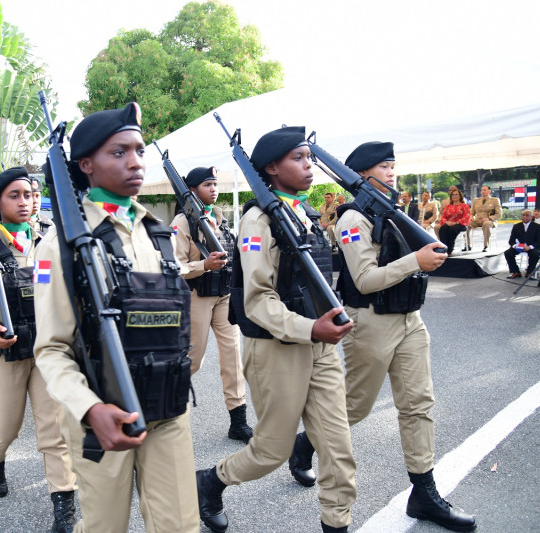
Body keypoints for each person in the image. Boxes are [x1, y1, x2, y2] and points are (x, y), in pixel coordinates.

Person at [34, 103, 199, 533]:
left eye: (139, 151)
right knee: (105, 526)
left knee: (181, 525)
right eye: (119, 152)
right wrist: (90, 410)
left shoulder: (160, 233)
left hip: (168, 408)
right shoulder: (61, 245)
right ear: (86, 165)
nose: (135, 162)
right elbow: (51, 349)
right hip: (103, 414)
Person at [294, 141, 475, 532]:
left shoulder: (393, 211)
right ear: (361, 174)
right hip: (372, 321)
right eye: (383, 165)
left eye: (393, 164)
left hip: (409, 318)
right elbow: (364, 279)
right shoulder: (352, 219)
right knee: (354, 407)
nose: (392, 171)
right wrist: (416, 261)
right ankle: (304, 444)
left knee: (419, 404)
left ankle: (424, 494)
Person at [196, 126, 357, 533]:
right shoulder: (258, 221)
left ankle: (336, 523)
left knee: (337, 451)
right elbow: (257, 300)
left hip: (318, 345)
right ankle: (211, 480)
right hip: (276, 347)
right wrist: (311, 329)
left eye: (309, 157)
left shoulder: (301, 212)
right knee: (271, 451)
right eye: (298, 158)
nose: (309, 166)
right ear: (271, 167)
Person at [0, 168, 77, 530]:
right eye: (14, 195)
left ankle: (64, 502)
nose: (24, 202)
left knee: (54, 429)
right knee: (6, 428)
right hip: (5, 356)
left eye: (28, 194)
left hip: (46, 352)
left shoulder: (48, 244)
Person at [169, 166, 252, 443]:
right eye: (207, 184)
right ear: (192, 190)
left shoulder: (217, 217)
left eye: (215, 184)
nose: (214, 189)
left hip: (224, 294)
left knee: (233, 358)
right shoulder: (183, 222)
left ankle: (238, 420)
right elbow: (173, 267)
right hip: (198, 296)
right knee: (193, 360)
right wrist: (203, 265)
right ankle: (168, 412)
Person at [503, 209, 540, 279]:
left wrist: (529, 247)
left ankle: (530, 272)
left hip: (531, 247)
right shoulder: (516, 226)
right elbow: (511, 241)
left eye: (527, 215)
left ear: (531, 217)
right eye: (523, 215)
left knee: (535, 254)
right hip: (519, 247)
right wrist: (516, 246)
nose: (524, 217)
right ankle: (516, 272)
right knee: (508, 253)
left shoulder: (537, 226)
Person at [437, 189, 471, 255]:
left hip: (460, 224)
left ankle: (449, 249)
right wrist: (446, 222)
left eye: (456, 195)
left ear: (460, 196)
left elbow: (466, 217)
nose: (454, 196)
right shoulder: (448, 207)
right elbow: (443, 217)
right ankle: (444, 248)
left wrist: (456, 223)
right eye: (453, 195)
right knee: (443, 228)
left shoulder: (464, 206)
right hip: (449, 223)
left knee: (452, 229)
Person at [468, 186, 501, 252]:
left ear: (489, 191)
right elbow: (472, 212)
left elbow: (499, 214)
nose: (482, 191)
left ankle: (486, 245)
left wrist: (489, 218)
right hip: (478, 220)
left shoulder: (495, 200)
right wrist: (471, 217)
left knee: (486, 224)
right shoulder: (476, 201)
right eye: (482, 190)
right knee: (466, 224)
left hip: (489, 221)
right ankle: (467, 245)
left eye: (485, 190)